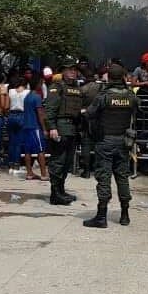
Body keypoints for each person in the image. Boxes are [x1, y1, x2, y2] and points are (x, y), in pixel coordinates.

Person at [83, 64, 140, 228]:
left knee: (104, 177)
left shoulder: (104, 96)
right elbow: (139, 109)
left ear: (109, 77)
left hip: (105, 141)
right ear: (123, 77)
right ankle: (125, 215)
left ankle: (101, 216)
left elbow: (89, 114)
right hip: (124, 142)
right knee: (122, 176)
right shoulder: (130, 96)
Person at [43, 60, 83, 205]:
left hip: (72, 128)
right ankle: (55, 194)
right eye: (69, 69)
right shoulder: (57, 87)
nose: (73, 72)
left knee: (67, 162)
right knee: (58, 161)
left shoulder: (76, 88)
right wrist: (52, 127)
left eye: (74, 69)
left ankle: (61, 189)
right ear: (63, 71)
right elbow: (50, 109)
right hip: (60, 127)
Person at [76, 58, 102, 179]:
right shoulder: (100, 88)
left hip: (85, 118)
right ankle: (97, 169)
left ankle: (86, 170)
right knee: (97, 144)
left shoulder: (82, 89)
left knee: (85, 144)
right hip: (97, 118)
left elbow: (78, 105)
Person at [19, 76, 48, 181]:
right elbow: (40, 114)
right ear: (38, 84)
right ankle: (44, 174)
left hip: (26, 126)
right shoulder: (37, 97)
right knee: (41, 150)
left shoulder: (27, 97)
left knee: (27, 151)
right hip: (35, 127)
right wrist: (44, 128)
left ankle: (29, 173)